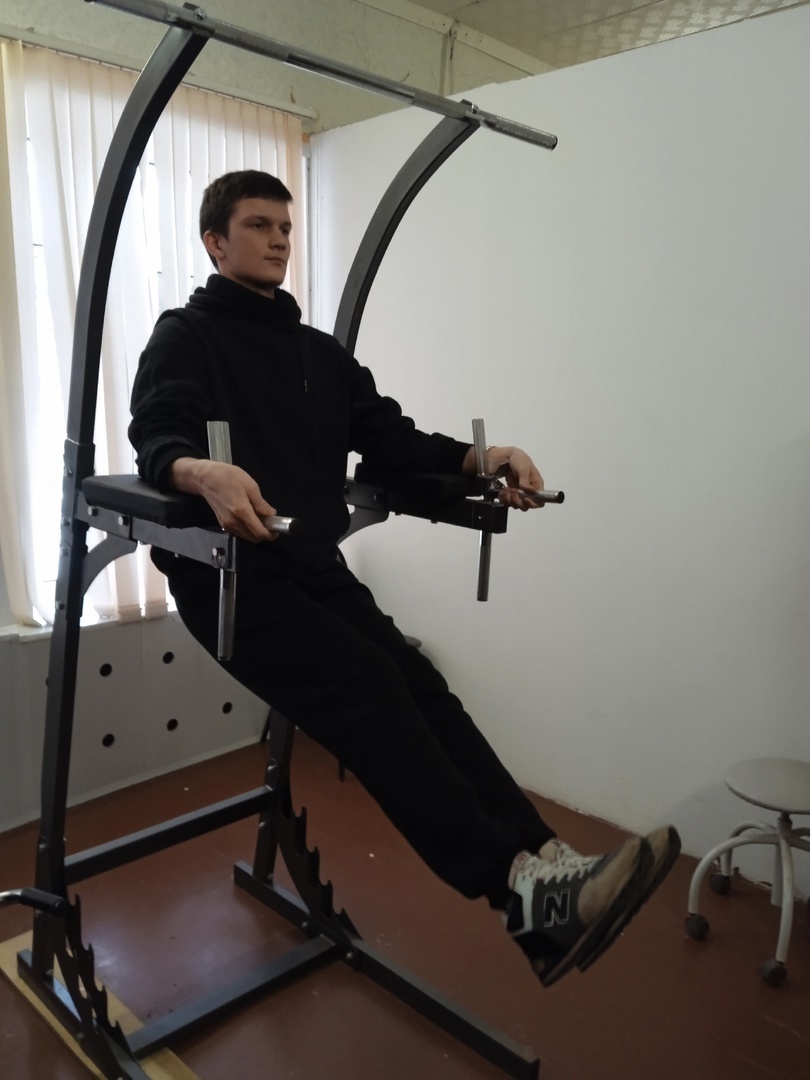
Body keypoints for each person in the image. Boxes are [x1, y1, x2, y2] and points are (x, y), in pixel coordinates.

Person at [129, 169, 680, 989]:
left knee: (419, 682)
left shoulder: (318, 353)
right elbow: (156, 435)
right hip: (231, 580)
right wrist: (200, 471)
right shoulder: (186, 336)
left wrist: (482, 459)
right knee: (369, 684)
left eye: (285, 226)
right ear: (215, 241)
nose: (278, 239)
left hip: (312, 566)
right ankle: (516, 890)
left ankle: (548, 862)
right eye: (258, 225)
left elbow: (391, 440)